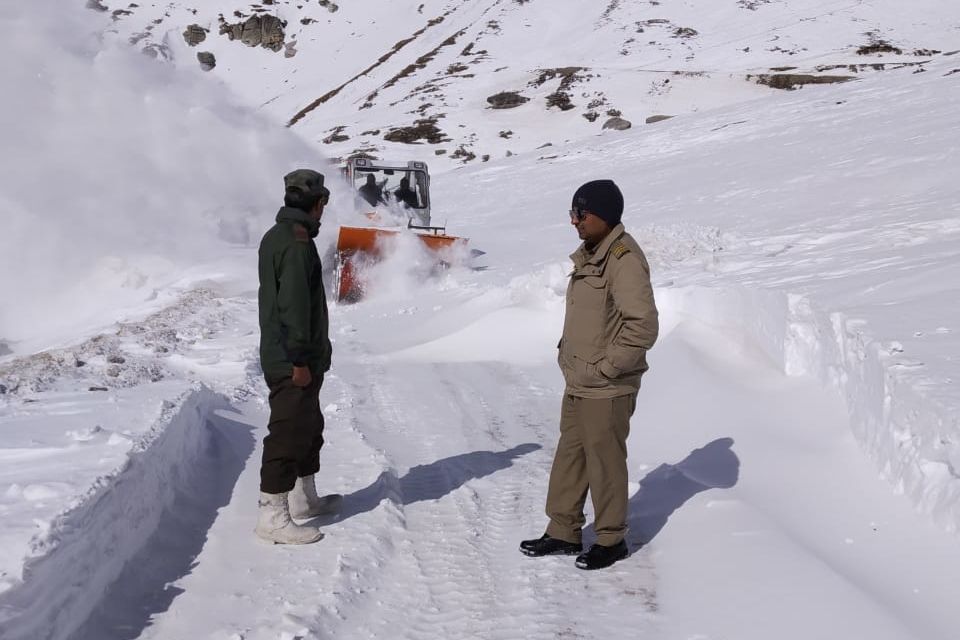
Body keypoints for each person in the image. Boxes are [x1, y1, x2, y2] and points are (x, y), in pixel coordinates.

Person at [519, 179, 659, 570]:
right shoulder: (591, 254)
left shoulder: (623, 258)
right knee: (571, 456)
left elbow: (642, 325)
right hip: (580, 380)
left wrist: (607, 367)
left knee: (605, 461)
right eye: (572, 213)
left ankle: (611, 539)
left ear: (604, 215)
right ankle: (563, 530)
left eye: (581, 214)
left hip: (607, 386)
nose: (575, 221)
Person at [256, 169, 341, 545]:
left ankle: (304, 498)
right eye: (324, 202)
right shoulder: (296, 243)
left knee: (308, 425)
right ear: (317, 203)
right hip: (292, 359)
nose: (324, 209)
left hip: (298, 356)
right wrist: (300, 361)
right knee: (288, 431)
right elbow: (293, 307)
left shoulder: (281, 236)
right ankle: (272, 515)